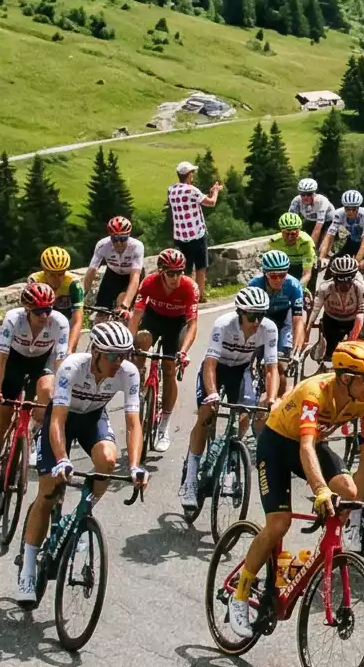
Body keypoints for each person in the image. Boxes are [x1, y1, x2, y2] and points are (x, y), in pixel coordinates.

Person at [221, 340, 364, 635]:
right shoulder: (315, 393)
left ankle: (305, 561)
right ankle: (239, 596)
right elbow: (305, 446)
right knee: (279, 523)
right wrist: (320, 489)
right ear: (346, 378)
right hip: (277, 445)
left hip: (313, 445)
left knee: (350, 493)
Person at [16, 319, 145, 604]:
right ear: (96, 352)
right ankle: (27, 567)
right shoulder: (73, 367)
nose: (119, 362)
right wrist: (62, 459)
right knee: (48, 492)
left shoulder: (128, 372)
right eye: (113, 355)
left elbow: (134, 423)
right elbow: (58, 419)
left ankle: (82, 517)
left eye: (124, 355)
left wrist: (135, 466)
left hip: (93, 418)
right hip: (63, 419)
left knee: (108, 460)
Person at [177, 286, 280, 513]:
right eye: (252, 316)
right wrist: (212, 393)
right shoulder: (223, 324)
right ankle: (191, 478)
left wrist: (271, 398)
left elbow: (271, 369)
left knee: (245, 415)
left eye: (261, 315)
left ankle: (231, 455)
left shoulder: (269, 329)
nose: (257, 321)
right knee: (206, 415)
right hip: (216, 368)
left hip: (241, 369)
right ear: (240, 313)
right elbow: (210, 363)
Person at [0, 281, 69, 510]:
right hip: (15, 363)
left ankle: (34, 429)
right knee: (2, 419)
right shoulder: (13, 319)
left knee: (48, 392)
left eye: (48, 309)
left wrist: (61, 398)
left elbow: (60, 364)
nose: (44, 315)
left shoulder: (59, 323)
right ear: (27, 310)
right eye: (39, 311)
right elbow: (0, 360)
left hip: (42, 364)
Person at [129, 246, 204, 451]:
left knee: (169, 369)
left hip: (176, 324)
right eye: (170, 273)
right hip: (153, 319)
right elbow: (136, 316)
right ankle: (139, 372)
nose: (175, 277)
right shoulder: (149, 283)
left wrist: (184, 351)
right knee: (141, 340)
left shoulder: (189, 287)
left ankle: (164, 426)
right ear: (161, 272)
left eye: (179, 272)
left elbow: (192, 325)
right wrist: (128, 343)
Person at [164, 160, 222, 292]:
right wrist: (216, 191)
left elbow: (191, 201)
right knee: (201, 267)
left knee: (186, 268)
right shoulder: (192, 190)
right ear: (189, 174)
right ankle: (200, 294)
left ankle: (188, 293)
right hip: (196, 235)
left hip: (180, 236)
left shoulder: (171, 190)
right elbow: (211, 203)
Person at [85, 216, 144, 317]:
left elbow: (135, 277)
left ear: (129, 235)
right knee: (101, 309)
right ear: (110, 236)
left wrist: (125, 306)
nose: (119, 243)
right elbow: (92, 271)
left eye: (123, 238)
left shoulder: (137, 246)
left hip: (131, 275)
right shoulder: (102, 245)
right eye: (115, 239)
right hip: (113, 273)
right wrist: (82, 295)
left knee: (123, 304)